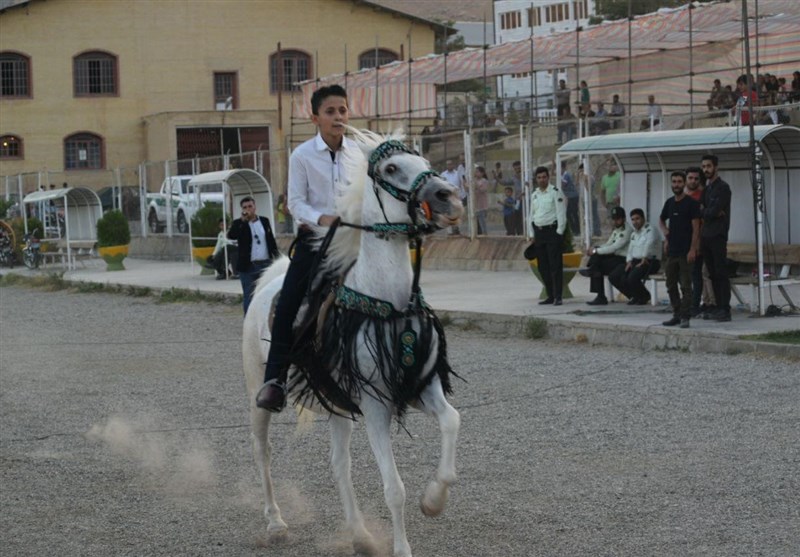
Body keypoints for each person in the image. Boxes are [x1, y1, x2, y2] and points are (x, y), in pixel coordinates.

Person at [255, 84, 360, 412]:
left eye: (342, 110)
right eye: (330, 112)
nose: (338, 116)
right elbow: (295, 203)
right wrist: (321, 218)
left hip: (354, 243)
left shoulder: (358, 153)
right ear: (315, 117)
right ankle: (275, 381)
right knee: (287, 304)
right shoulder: (302, 156)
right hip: (315, 243)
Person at [658, 171, 701, 328]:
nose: (676, 185)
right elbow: (661, 220)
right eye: (674, 182)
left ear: (684, 184)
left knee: (685, 286)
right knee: (670, 284)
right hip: (672, 252)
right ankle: (676, 314)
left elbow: (696, 228)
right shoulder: (669, 203)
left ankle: (685, 316)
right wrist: (666, 235)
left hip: (685, 252)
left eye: (679, 182)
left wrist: (693, 249)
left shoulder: (691, 204)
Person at [228, 196, 279, 313]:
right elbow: (232, 235)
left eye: (250, 206)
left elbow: (271, 241)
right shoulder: (239, 223)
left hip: (265, 264)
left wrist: (276, 258)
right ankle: (249, 323)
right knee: (249, 296)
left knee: (267, 294)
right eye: (245, 207)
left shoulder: (264, 221)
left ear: (255, 207)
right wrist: (242, 221)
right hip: (248, 266)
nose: (248, 209)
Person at [700, 154, 732, 322]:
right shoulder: (707, 189)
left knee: (720, 273)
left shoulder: (723, 188)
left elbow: (712, 211)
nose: (706, 169)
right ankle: (718, 307)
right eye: (704, 166)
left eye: (709, 166)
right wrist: (709, 212)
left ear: (716, 167)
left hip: (718, 235)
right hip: (706, 235)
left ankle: (725, 309)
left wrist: (709, 212)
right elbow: (703, 211)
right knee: (711, 273)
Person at [529, 165, 566, 306]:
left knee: (555, 266)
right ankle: (550, 295)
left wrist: (559, 232)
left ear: (548, 178)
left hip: (552, 231)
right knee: (543, 267)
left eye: (544, 177)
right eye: (539, 178)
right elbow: (532, 215)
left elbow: (561, 213)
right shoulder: (535, 195)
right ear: (536, 179)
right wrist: (532, 233)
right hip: (539, 233)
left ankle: (558, 296)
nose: (542, 180)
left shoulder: (555, 192)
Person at [609, 208, 660, 305]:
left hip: (650, 261)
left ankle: (644, 296)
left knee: (632, 277)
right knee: (614, 276)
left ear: (643, 218)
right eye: (633, 219)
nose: (635, 222)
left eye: (637, 219)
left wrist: (644, 257)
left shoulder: (650, 229)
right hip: (635, 261)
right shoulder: (634, 234)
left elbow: (649, 244)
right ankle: (634, 296)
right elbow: (630, 249)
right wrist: (629, 261)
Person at [583, 206, 632, 305]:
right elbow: (608, 244)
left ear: (623, 219)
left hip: (624, 259)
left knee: (597, 263)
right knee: (597, 263)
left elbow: (614, 247)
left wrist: (595, 251)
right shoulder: (616, 230)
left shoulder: (627, 231)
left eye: (618, 219)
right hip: (615, 258)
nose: (615, 221)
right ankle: (600, 295)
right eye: (614, 219)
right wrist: (596, 249)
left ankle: (591, 270)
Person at [685, 166, 707, 316]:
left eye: (696, 178)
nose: (693, 181)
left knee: (695, 274)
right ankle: (685, 303)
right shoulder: (680, 196)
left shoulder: (702, 196)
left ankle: (694, 305)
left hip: (696, 241)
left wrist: (697, 243)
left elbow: (701, 222)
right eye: (690, 178)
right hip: (681, 242)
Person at [577, 163, 600, 237]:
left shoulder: (591, 178)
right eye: (580, 171)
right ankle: (588, 231)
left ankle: (597, 231)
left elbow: (588, 189)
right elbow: (577, 184)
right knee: (586, 215)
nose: (581, 173)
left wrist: (585, 180)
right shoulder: (581, 178)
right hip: (584, 200)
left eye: (582, 171)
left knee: (594, 215)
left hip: (591, 200)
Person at [441, 159, 462, 235]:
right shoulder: (443, 175)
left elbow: (460, 184)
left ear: (453, 165)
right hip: (447, 197)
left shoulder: (457, 174)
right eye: (448, 164)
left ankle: (456, 229)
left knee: (456, 214)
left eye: (451, 164)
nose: (449, 166)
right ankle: (449, 231)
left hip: (456, 197)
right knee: (447, 214)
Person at [560, 160, 579, 236]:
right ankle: (574, 229)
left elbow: (563, 184)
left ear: (563, 168)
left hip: (573, 196)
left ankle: (577, 230)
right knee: (569, 214)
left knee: (573, 213)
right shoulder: (562, 175)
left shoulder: (566, 175)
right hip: (570, 197)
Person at [473, 166, 490, 235]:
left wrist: (476, 184)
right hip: (475, 204)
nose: (476, 173)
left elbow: (483, 190)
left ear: (482, 173)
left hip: (482, 204)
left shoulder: (484, 181)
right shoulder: (474, 180)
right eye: (475, 172)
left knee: (482, 221)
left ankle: (484, 234)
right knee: (475, 221)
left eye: (477, 172)